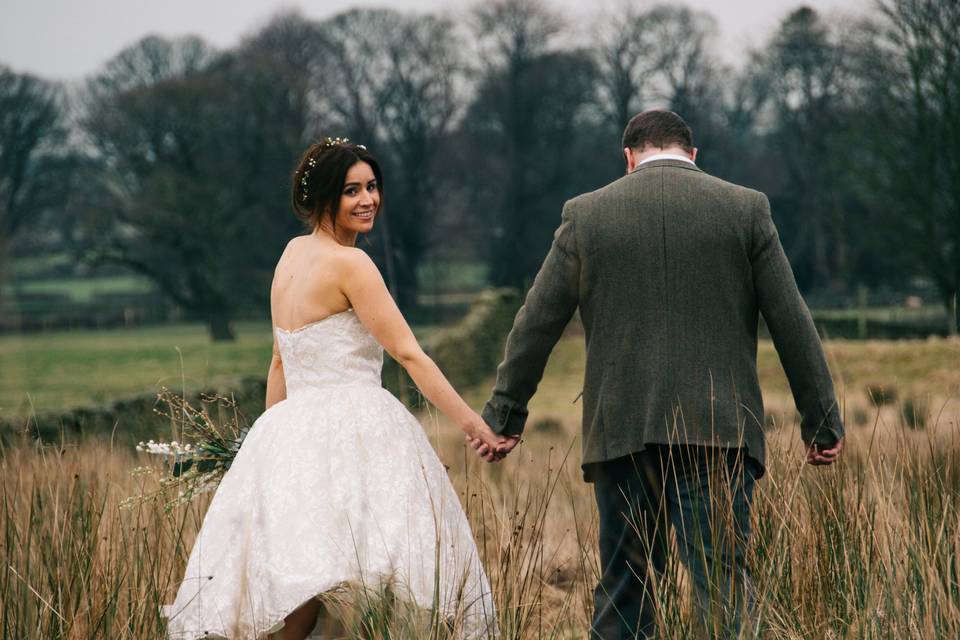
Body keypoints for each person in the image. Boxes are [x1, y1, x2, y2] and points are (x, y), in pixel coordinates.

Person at [472, 110, 844, 638]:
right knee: (723, 592)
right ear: (693, 155)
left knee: (626, 591)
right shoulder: (746, 209)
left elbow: (535, 325)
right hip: (717, 434)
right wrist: (822, 421)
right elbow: (792, 321)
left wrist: (505, 414)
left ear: (629, 157)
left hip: (622, 433)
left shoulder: (586, 215)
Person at [165, 138, 506, 640]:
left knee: (305, 590)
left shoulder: (290, 256)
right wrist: (474, 424)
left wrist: (270, 450)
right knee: (373, 583)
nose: (368, 199)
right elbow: (409, 354)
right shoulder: (353, 265)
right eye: (352, 191)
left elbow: (280, 360)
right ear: (325, 196)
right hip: (357, 431)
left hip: (291, 429)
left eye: (372, 187)